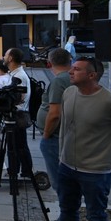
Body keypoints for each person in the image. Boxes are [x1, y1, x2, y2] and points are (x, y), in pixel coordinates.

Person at [40, 57, 111, 221]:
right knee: (68, 210)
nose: (71, 72)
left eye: (77, 69)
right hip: (67, 165)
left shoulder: (110, 101)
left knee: (96, 218)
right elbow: (66, 126)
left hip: (96, 171)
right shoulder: (69, 93)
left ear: (92, 75)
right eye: (72, 67)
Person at [34, 48, 72, 194]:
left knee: (58, 179)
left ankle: (66, 214)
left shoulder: (59, 81)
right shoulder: (69, 78)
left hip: (54, 135)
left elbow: (54, 113)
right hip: (62, 133)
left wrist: (46, 134)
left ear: (49, 63)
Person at [3, 47, 33, 178]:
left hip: (17, 115)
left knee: (17, 146)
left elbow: (18, 98)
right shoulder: (15, 74)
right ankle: (20, 170)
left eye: (5, 55)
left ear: (10, 58)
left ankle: (20, 171)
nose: (4, 57)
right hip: (16, 114)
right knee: (19, 145)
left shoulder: (19, 76)